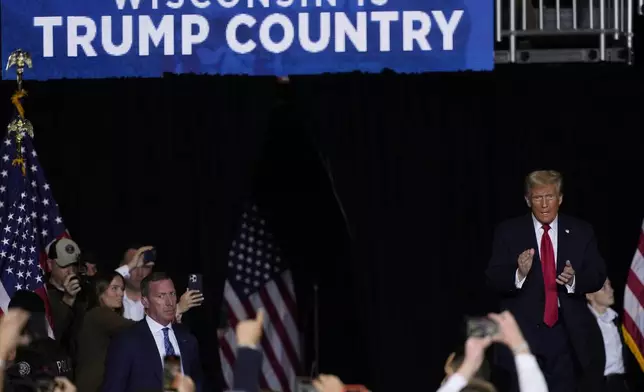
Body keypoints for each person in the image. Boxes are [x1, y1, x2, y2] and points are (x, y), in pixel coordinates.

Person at [486, 170, 607, 392]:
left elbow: (597, 275)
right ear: (527, 199)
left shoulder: (581, 231)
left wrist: (573, 280)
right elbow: (493, 278)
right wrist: (519, 273)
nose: (544, 205)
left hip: (568, 337)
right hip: (524, 336)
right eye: (537, 198)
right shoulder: (508, 232)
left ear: (560, 198)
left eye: (549, 197)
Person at [101, 272, 203, 392]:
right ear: (145, 302)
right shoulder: (126, 341)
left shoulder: (187, 339)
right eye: (161, 296)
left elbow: (198, 383)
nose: (169, 302)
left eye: (172, 294)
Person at [75, 271, 136, 392]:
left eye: (122, 289)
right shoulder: (98, 314)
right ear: (99, 291)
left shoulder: (94, 315)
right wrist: (172, 312)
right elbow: (136, 328)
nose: (121, 293)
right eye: (114, 288)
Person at [582, 278, 644, 392]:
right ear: (590, 295)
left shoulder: (619, 321)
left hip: (623, 384)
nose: (610, 290)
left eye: (609, 285)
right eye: (603, 287)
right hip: (599, 386)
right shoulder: (583, 325)